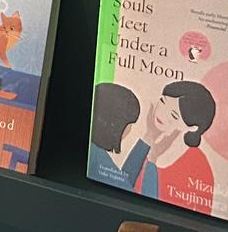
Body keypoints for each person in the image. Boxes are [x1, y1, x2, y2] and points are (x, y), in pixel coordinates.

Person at [136, 80, 217, 214]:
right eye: (162, 102)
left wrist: (152, 158)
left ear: (192, 128)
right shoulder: (148, 143)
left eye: (174, 115)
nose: (161, 113)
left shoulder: (197, 163)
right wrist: (148, 137)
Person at [87, 83, 149, 189]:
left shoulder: (93, 150)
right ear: (118, 124)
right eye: (129, 125)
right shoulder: (98, 156)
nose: (130, 130)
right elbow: (123, 185)